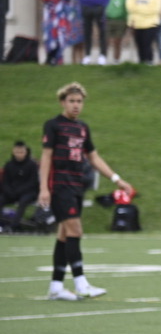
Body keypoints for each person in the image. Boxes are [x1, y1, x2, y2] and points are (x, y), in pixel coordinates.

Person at [38, 82, 133, 300]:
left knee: (63, 235)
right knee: (76, 231)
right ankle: (81, 283)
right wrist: (44, 188)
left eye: (79, 101)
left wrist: (117, 179)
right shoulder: (53, 125)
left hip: (76, 185)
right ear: (63, 102)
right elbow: (46, 157)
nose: (76, 105)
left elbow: (93, 157)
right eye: (71, 101)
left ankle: (56, 287)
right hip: (60, 185)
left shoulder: (82, 128)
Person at [40, 0, 78, 66]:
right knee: (50, 37)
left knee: (62, 37)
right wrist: (55, 0)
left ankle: (59, 59)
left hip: (63, 16)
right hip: (50, 16)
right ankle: (50, 58)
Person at [1, 141, 40, 230]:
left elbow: (33, 183)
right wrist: (9, 191)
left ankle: (14, 226)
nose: (19, 154)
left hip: (28, 193)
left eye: (21, 152)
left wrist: (19, 191)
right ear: (13, 152)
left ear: (26, 152)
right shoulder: (9, 165)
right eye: (17, 152)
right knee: (1, 200)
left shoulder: (32, 165)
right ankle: (3, 223)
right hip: (12, 193)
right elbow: (5, 182)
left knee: (23, 202)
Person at [125, 0, 161, 65]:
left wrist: (139, 10)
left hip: (151, 24)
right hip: (136, 24)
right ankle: (141, 63)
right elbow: (130, 8)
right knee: (140, 44)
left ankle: (149, 61)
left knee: (147, 44)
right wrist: (145, 10)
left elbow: (155, 9)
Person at [105, 0, 131, 64]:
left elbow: (130, 2)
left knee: (118, 41)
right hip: (107, 18)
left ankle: (116, 60)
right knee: (106, 41)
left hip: (121, 18)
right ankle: (103, 60)